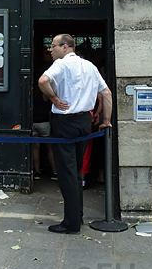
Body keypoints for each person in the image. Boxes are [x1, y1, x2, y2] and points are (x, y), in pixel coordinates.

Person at [38, 34, 112, 234]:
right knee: (76, 170)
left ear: (65, 46)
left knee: (67, 173)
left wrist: (53, 98)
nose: (50, 50)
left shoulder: (61, 64)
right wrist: (105, 121)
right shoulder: (90, 66)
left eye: (52, 46)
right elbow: (106, 93)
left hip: (65, 121)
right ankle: (76, 217)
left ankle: (71, 223)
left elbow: (43, 80)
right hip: (84, 123)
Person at [32, 45, 56, 180]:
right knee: (50, 148)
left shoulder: (30, 91)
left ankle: (36, 171)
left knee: (35, 148)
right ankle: (54, 172)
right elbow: (49, 100)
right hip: (45, 122)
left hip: (33, 120)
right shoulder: (44, 91)